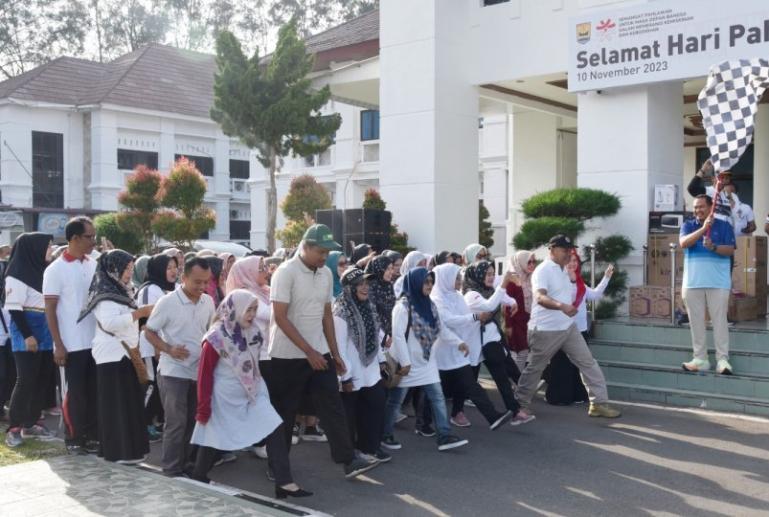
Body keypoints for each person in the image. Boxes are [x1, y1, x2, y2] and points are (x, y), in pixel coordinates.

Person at [265, 224, 378, 479]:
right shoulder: (285, 272)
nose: (325, 256)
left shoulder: (326, 274)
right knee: (285, 413)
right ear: (305, 247)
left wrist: (334, 354)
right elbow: (280, 318)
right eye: (321, 251)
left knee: (332, 406)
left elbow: (326, 315)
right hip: (286, 356)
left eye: (328, 252)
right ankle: (276, 465)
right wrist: (309, 352)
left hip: (319, 352)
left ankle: (348, 460)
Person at [192, 290, 312, 500]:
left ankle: (284, 482)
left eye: (255, 309)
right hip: (224, 397)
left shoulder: (253, 331)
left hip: (253, 393)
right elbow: (204, 374)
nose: (252, 315)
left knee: (274, 425)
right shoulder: (216, 337)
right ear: (235, 309)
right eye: (249, 309)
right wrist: (204, 406)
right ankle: (198, 474)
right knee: (215, 433)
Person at [515, 234, 621, 419]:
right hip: (545, 330)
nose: (568, 253)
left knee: (588, 362)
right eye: (565, 250)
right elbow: (540, 297)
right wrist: (562, 306)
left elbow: (581, 293)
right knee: (535, 368)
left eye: (570, 250)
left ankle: (598, 404)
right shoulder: (543, 271)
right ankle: (518, 405)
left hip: (568, 327)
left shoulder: (563, 269)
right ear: (552, 249)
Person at [381, 267, 469, 451]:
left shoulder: (429, 304)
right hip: (407, 365)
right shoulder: (403, 307)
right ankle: (385, 435)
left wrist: (459, 342)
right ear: (415, 283)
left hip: (427, 362)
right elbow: (397, 336)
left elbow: (441, 328)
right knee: (395, 402)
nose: (429, 285)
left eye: (431, 282)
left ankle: (444, 436)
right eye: (426, 282)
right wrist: (405, 363)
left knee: (437, 397)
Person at [79, 250, 154, 463]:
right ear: (113, 269)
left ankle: (132, 450)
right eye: (126, 268)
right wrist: (140, 313)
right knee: (116, 405)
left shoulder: (121, 290)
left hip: (126, 352)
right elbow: (111, 323)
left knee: (128, 403)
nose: (129, 273)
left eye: (131, 268)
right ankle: (118, 451)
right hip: (112, 354)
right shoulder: (105, 294)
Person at [144, 257, 215, 477]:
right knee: (176, 423)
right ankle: (171, 469)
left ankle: (185, 465)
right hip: (172, 371)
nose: (203, 287)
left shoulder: (208, 302)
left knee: (193, 421)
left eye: (206, 282)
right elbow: (149, 331)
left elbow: (211, 331)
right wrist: (168, 348)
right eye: (197, 282)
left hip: (198, 372)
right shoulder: (167, 302)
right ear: (183, 278)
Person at [430, 263, 514, 430]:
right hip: (442, 353)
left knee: (471, 385)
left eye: (460, 277)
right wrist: (476, 317)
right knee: (433, 392)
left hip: (459, 350)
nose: (460, 281)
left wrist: (473, 321)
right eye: (456, 278)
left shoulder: (457, 296)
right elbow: (448, 320)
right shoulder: (437, 299)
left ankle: (493, 417)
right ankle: (424, 422)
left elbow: (465, 317)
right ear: (446, 279)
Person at [43, 217, 99, 454]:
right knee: (73, 394)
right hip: (71, 344)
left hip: (95, 342)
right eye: (89, 237)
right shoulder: (55, 269)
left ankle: (91, 435)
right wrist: (58, 344)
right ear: (74, 238)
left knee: (92, 392)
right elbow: (50, 309)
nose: (93, 242)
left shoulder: (92, 263)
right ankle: (74, 439)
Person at [463, 261, 532, 423]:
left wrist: (512, 301)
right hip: (479, 344)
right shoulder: (471, 294)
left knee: (505, 375)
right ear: (478, 275)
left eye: (492, 273)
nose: (491, 277)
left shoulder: (488, 290)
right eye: (487, 274)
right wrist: (505, 283)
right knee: (467, 383)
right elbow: (490, 305)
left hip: (493, 340)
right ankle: (456, 412)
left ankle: (516, 409)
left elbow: (500, 297)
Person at [4, 233, 56, 447]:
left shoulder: (43, 272)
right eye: (48, 247)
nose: (51, 251)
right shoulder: (16, 275)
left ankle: (31, 423)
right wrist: (27, 335)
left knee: (42, 380)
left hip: (45, 331)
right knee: (25, 381)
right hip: (27, 332)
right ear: (34, 249)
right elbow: (15, 309)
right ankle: (14, 427)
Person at [334, 268, 390, 463]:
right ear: (350, 287)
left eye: (367, 283)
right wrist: (345, 376)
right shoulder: (341, 312)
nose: (365, 287)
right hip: (352, 372)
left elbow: (376, 335)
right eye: (360, 283)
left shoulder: (369, 307)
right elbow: (339, 347)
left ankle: (370, 447)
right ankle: (350, 453)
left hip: (371, 369)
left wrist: (382, 360)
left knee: (375, 406)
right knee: (350, 415)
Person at [545, 250, 613, 406]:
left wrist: (606, 277)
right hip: (563, 329)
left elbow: (594, 295)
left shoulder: (580, 281)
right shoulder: (559, 280)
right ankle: (559, 397)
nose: (573, 263)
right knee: (561, 365)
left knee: (579, 365)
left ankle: (577, 394)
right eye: (569, 260)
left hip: (581, 328)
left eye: (575, 260)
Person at [680, 195, 736, 374]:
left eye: (701, 207)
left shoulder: (725, 225)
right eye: (695, 207)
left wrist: (713, 247)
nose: (698, 210)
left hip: (718, 282)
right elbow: (683, 243)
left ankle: (722, 360)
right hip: (692, 282)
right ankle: (701, 359)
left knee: (719, 321)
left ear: (712, 207)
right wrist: (703, 229)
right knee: (696, 322)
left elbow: (729, 250)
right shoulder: (688, 225)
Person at [136, 253, 179, 443]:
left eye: (175, 267)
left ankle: (152, 423)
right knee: (151, 384)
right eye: (168, 268)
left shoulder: (173, 289)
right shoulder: (150, 289)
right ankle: (141, 425)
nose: (173, 271)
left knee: (160, 385)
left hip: (166, 345)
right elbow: (146, 321)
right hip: (150, 344)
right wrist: (157, 347)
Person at [505, 251, 536, 372]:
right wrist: (508, 325)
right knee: (519, 352)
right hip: (515, 322)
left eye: (534, 262)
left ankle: (517, 382)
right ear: (521, 262)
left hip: (527, 322)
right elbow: (507, 304)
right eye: (529, 262)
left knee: (523, 353)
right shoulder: (512, 279)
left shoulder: (531, 278)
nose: (532, 265)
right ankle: (517, 382)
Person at [687, 160, 735, 225]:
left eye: (727, 178)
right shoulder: (707, 191)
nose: (724, 180)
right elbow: (691, 188)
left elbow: (731, 215)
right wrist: (703, 170)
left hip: (726, 231)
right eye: (721, 177)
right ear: (713, 178)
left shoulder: (728, 195)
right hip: (711, 230)